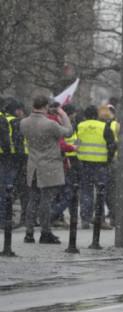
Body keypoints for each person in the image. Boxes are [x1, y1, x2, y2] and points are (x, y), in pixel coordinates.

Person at [20, 94, 73, 244]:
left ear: (32, 106)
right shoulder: (50, 124)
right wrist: (64, 116)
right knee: (46, 201)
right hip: (50, 166)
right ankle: (45, 233)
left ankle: (29, 233)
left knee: (33, 200)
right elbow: (68, 132)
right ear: (46, 107)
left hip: (33, 166)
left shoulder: (23, 123)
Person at [77, 105, 116, 229]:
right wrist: (108, 160)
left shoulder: (80, 126)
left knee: (86, 192)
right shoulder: (104, 127)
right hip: (100, 165)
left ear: (85, 115)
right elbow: (112, 146)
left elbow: (76, 143)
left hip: (84, 164)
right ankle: (100, 219)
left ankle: (85, 219)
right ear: (96, 115)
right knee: (101, 193)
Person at [49, 103, 80, 227]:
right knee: (67, 193)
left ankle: (56, 217)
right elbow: (61, 143)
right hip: (63, 162)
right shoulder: (57, 125)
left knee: (59, 193)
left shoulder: (74, 125)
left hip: (64, 161)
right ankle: (52, 215)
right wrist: (73, 148)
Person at [0, 97, 21, 226]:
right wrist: (10, 154)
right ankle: (3, 218)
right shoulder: (3, 119)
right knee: (6, 188)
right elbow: (6, 141)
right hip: (4, 157)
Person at [99, 104, 119, 228]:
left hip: (105, 161)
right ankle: (113, 216)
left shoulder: (99, 125)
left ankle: (106, 217)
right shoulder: (116, 125)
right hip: (112, 160)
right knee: (111, 191)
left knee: (104, 191)